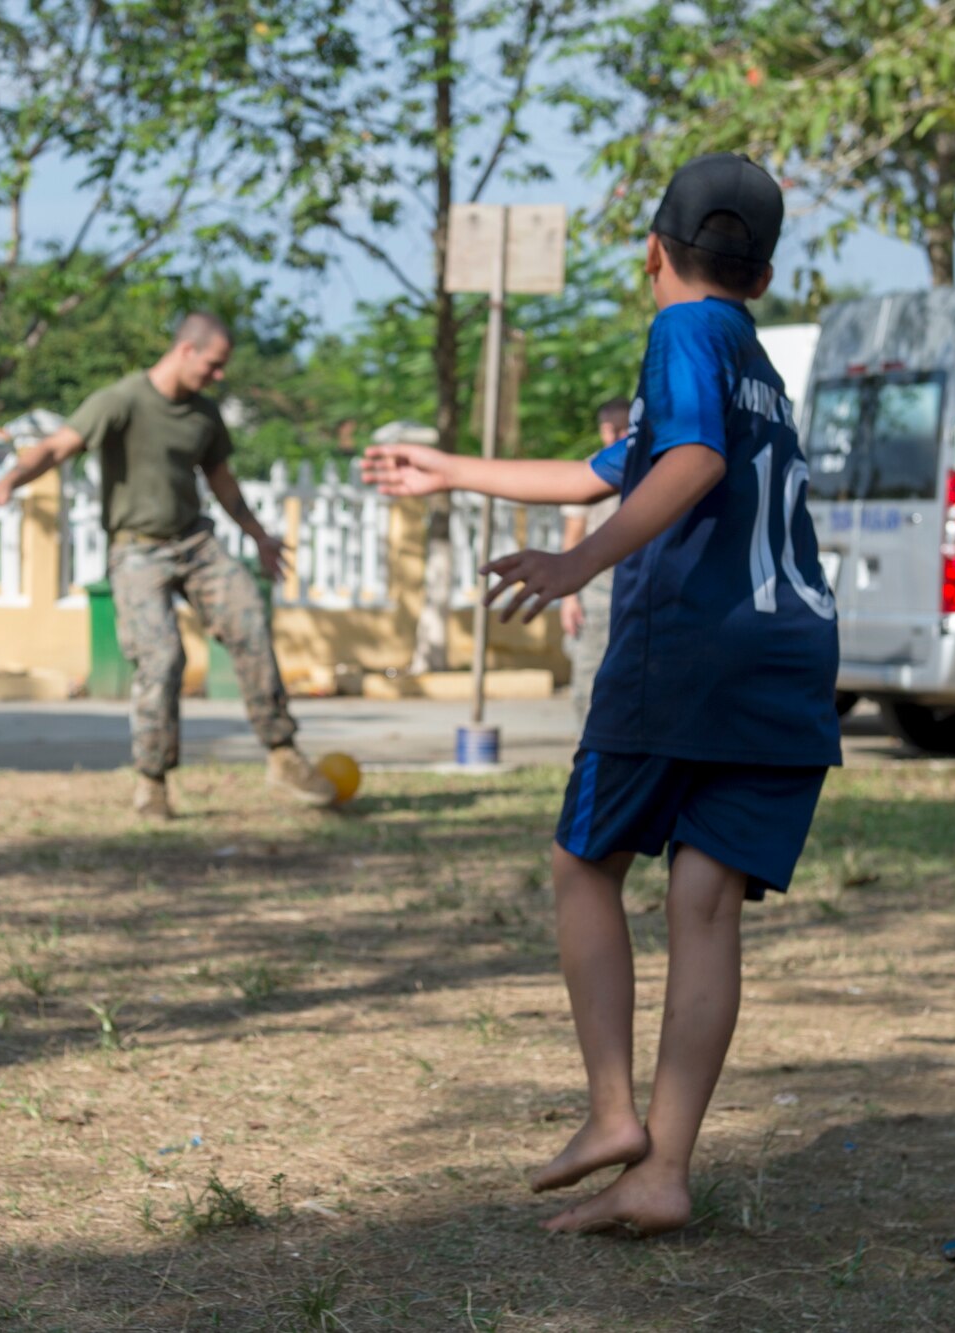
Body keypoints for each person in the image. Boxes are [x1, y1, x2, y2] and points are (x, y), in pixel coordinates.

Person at [362, 154, 839, 1236]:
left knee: (583, 862)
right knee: (703, 903)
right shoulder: (748, 355)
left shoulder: (681, 335)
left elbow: (691, 464)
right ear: (759, 276)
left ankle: (612, 1114)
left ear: (650, 252)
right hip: (788, 659)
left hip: (690, 653)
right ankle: (662, 1172)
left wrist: (579, 566)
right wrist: (448, 468)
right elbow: (613, 465)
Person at [0, 313, 336, 819]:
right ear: (186, 350)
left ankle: (282, 752)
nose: (218, 376)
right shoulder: (121, 401)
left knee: (249, 617)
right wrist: (8, 482)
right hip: (137, 549)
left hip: (196, 542)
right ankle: (152, 780)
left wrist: (259, 537)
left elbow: (222, 481)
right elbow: (58, 445)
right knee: (162, 658)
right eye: (213, 365)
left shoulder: (204, 415)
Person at [559, 398, 633, 728]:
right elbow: (572, 534)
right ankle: (587, 751)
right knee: (588, 675)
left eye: (623, 428)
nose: (616, 436)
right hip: (596, 587)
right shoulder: (590, 470)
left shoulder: (651, 468)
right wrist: (568, 598)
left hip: (640, 584)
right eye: (609, 429)